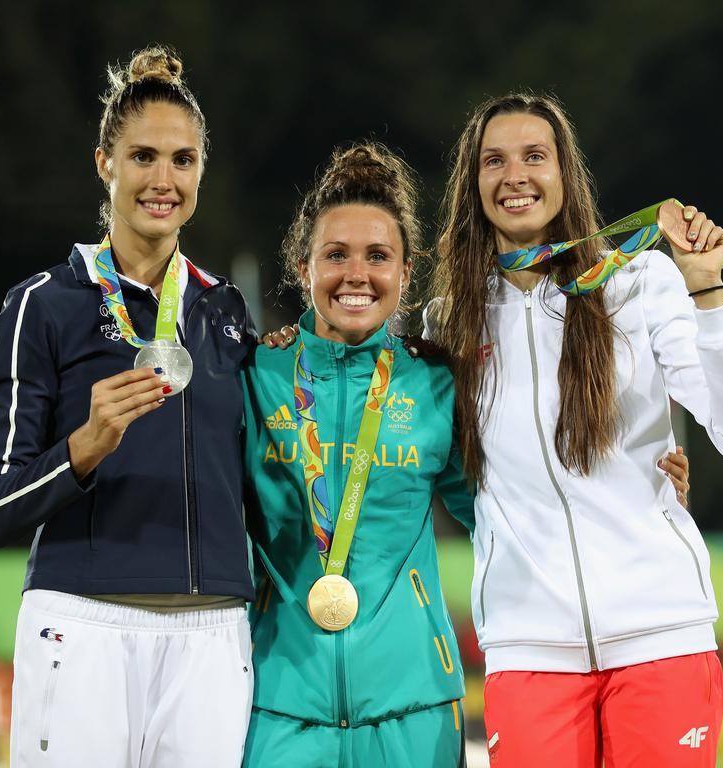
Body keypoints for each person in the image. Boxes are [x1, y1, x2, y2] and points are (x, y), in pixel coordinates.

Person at [427, 92, 723, 767]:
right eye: (494, 161)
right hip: (528, 650)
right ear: (473, 185)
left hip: (660, 635)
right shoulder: (449, 324)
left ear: (565, 173)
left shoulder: (640, 283)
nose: (515, 175)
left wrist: (706, 291)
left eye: (535, 156)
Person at [0, 47, 255, 767]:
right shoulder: (42, 306)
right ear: (105, 163)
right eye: (143, 157)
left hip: (212, 632)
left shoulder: (225, 313)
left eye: (183, 160)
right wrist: (83, 448)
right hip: (83, 624)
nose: (164, 180)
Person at [241, 142, 475, 767]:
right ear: (302, 266)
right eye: (335, 255)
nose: (356, 275)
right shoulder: (255, 374)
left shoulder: (437, 383)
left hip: (415, 703)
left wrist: (632, 484)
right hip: (278, 702)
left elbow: (507, 511)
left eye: (379, 256)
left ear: (405, 272)